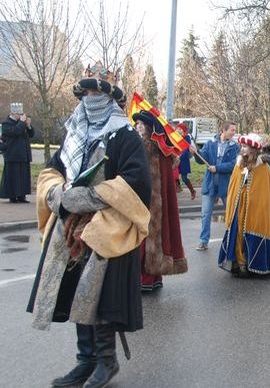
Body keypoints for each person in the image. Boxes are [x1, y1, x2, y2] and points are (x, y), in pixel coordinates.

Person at [27, 62, 151, 387]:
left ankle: (105, 362)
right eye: (87, 91)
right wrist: (57, 194)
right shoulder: (74, 136)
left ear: (109, 96)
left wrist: (88, 198)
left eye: (97, 91)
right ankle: (85, 360)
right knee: (74, 296)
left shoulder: (125, 136)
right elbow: (53, 172)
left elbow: (136, 183)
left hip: (107, 230)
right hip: (71, 230)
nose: (91, 97)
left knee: (100, 301)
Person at [218, 133, 270, 276]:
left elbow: (264, 193)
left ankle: (254, 263)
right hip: (239, 207)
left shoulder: (263, 168)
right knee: (238, 233)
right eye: (242, 146)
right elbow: (233, 187)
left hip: (255, 208)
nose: (242, 149)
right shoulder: (238, 165)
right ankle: (240, 263)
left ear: (253, 149)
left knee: (253, 229)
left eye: (245, 146)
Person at [133, 110, 188, 291]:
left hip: (152, 202)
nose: (138, 127)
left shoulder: (155, 149)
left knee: (149, 240)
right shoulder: (140, 146)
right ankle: (151, 277)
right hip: (142, 200)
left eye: (141, 124)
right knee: (145, 239)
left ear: (149, 128)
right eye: (137, 124)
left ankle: (148, 278)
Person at [191, 121, 239, 251]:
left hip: (226, 186)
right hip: (210, 185)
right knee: (206, 214)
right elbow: (201, 159)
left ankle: (234, 240)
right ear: (223, 130)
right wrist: (196, 152)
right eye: (232, 130)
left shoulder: (235, 147)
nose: (234, 133)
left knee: (232, 213)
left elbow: (234, 164)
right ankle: (203, 240)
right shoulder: (210, 143)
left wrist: (217, 168)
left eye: (235, 130)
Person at [1, 103, 35, 203]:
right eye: (19, 114)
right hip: (13, 154)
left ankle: (22, 196)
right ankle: (13, 196)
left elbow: (31, 134)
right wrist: (21, 122)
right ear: (14, 113)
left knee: (23, 176)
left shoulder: (22, 124)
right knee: (13, 176)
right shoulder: (6, 124)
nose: (21, 116)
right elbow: (15, 132)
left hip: (23, 154)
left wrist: (28, 126)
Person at [175, 122, 196, 199]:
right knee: (174, 176)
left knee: (184, 178)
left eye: (180, 129)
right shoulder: (175, 137)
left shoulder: (186, 137)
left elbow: (187, 149)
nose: (178, 130)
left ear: (183, 130)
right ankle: (177, 189)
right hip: (175, 160)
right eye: (177, 128)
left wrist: (180, 156)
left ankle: (192, 191)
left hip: (183, 160)